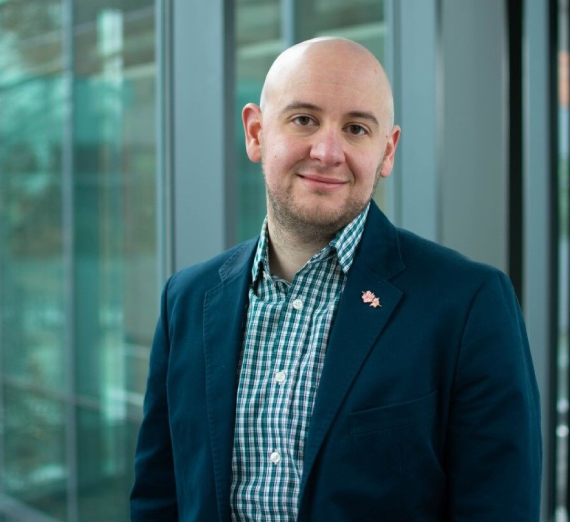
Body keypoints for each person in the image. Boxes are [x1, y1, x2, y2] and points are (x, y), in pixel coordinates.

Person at [130, 37, 541, 521]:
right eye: (303, 119)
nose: (327, 152)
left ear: (386, 152)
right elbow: (158, 497)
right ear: (256, 133)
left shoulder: (469, 303)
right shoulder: (187, 299)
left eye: (356, 128)